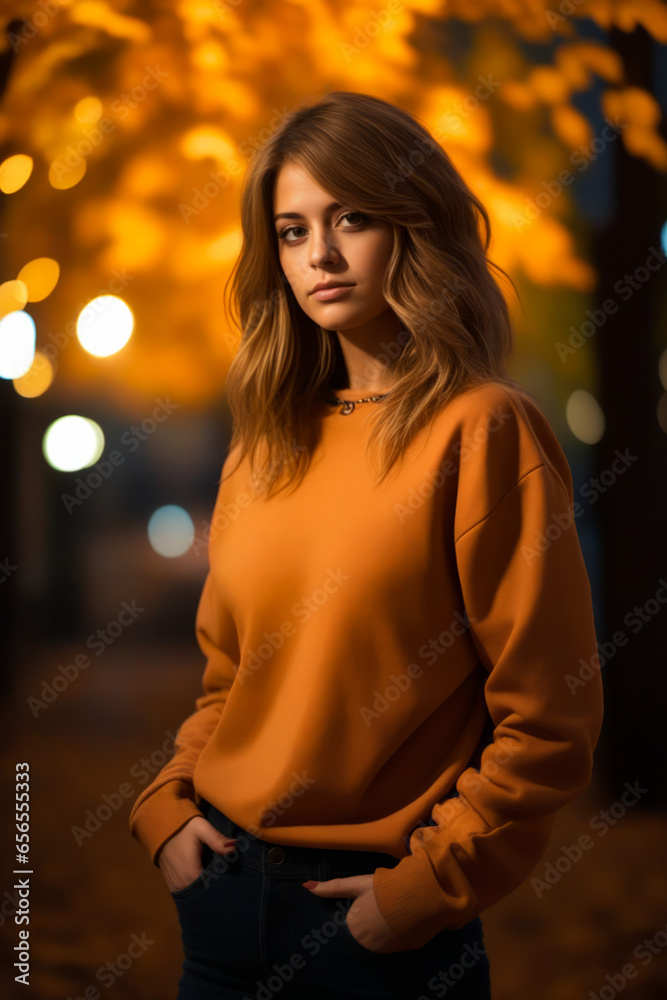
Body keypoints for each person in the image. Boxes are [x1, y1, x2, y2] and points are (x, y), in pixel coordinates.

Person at [129, 91, 605, 999]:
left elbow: (549, 720)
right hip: (219, 912)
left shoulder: (483, 429)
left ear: (412, 226)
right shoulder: (263, 444)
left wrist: (425, 892)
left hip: (375, 934)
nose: (322, 256)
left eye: (352, 218)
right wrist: (164, 810)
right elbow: (231, 681)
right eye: (292, 229)